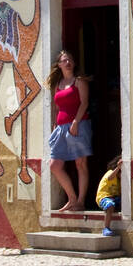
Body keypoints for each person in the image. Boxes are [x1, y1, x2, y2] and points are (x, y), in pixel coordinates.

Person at [46, 50, 91, 213]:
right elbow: (56, 107)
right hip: (61, 128)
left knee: (80, 163)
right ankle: (71, 198)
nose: (68, 62)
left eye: (70, 59)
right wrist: (55, 125)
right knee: (55, 165)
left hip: (78, 125)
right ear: (59, 65)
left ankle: (80, 201)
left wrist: (75, 122)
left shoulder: (79, 82)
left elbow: (84, 103)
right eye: (64, 60)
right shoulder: (57, 84)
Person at [95, 156, 122, 237]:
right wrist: (118, 167)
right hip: (104, 197)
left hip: (114, 198)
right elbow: (110, 177)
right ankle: (106, 228)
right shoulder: (110, 172)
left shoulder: (120, 180)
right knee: (110, 205)